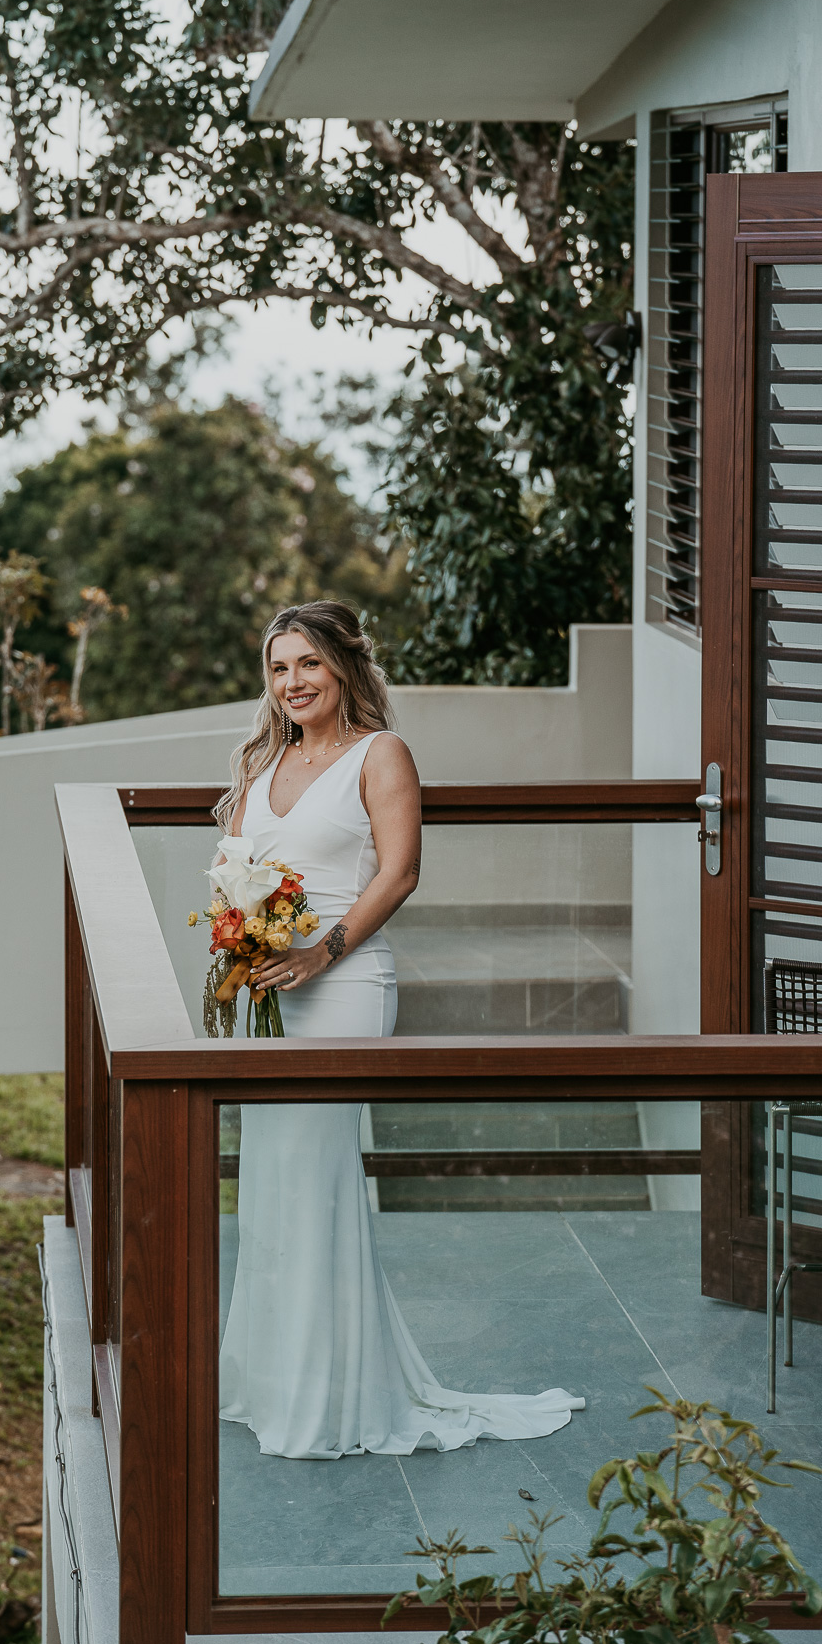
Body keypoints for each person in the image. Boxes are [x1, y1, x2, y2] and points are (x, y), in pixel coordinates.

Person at [215, 601, 584, 1459]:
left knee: (317, 1179)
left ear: (344, 666)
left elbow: (402, 869)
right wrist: (234, 942)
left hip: (342, 987)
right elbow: (238, 874)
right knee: (271, 1181)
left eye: (308, 663)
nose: (292, 682)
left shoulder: (380, 756)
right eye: (278, 668)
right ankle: (274, 1382)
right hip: (267, 993)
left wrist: (320, 954)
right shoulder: (265, 760)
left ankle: (328, 1404)